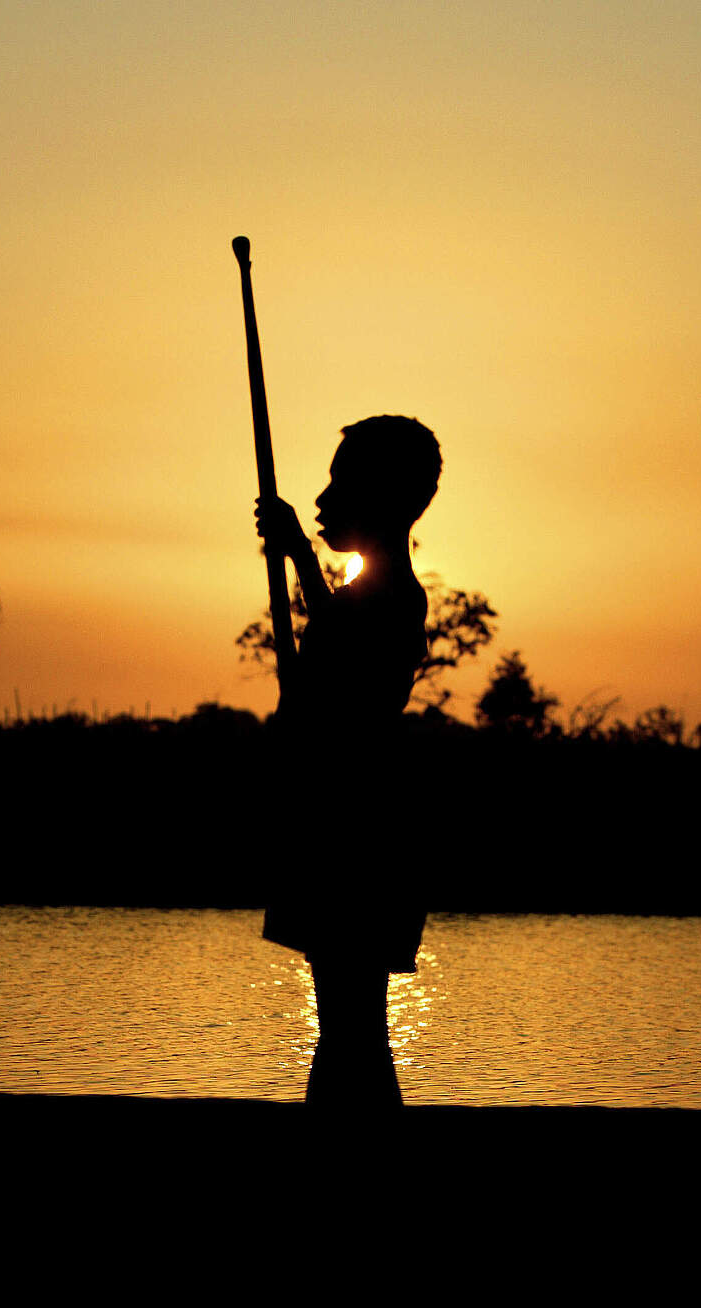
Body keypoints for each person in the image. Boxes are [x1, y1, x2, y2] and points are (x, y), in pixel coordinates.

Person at [252, 414, 440, 1109]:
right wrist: (301, 553)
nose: (326, 497)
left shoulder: (392, 596)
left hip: (357, 837)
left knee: (352, 1031)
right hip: (348, 829)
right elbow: (338, 637)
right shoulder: (376, 595)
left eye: (341, 482)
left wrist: (300, 553)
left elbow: (343, 671)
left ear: (383, 496)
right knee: (348, 1027)